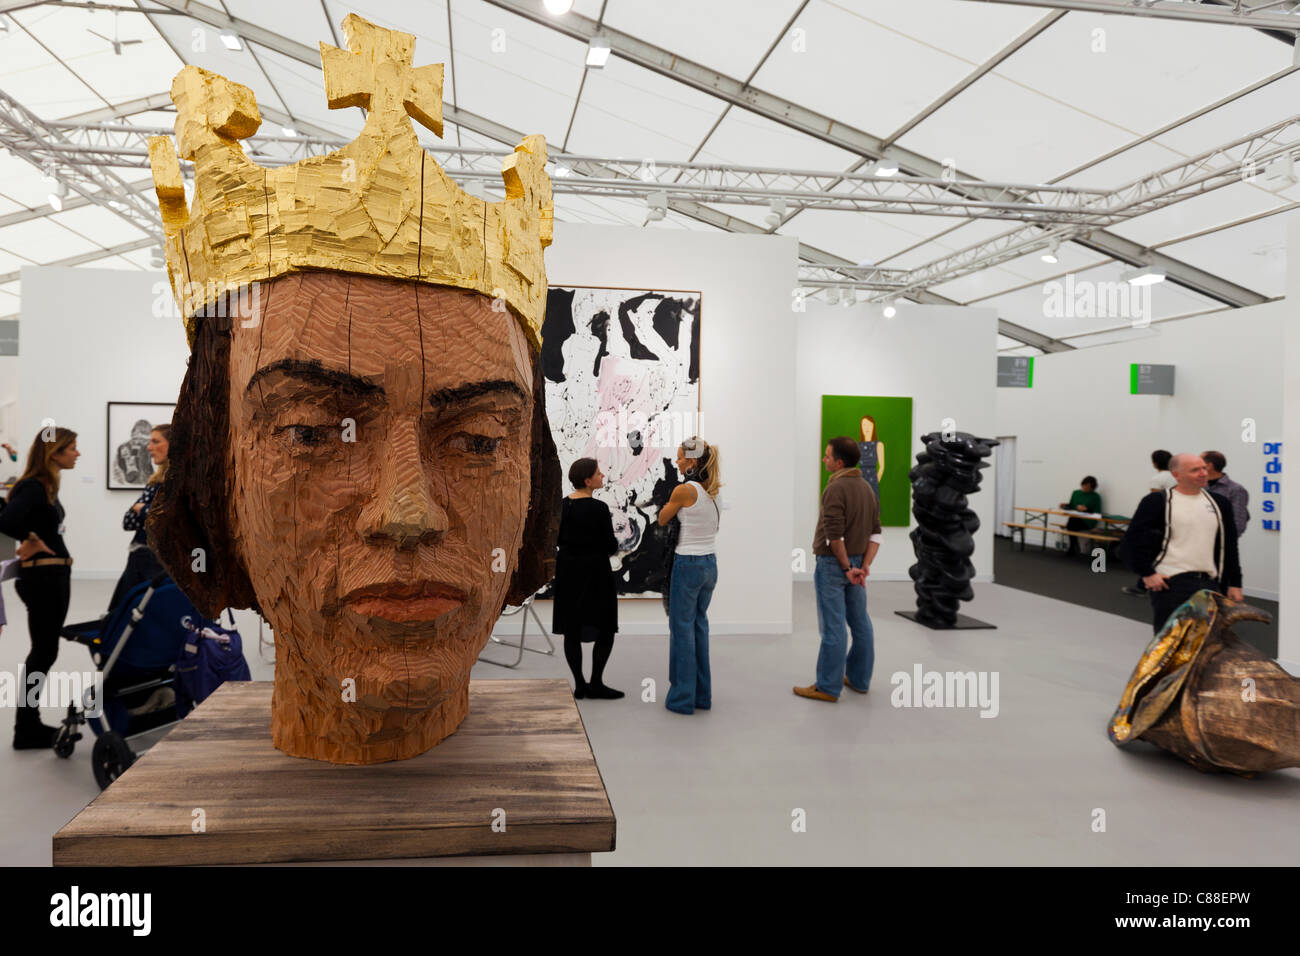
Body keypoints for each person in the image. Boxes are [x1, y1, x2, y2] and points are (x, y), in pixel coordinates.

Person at [0, 427, 80, 749]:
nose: (78, 453)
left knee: (45, 652)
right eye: (72, 448)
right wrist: (32, 539)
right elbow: (5, 522)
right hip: (43, 580)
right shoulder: (33, 487)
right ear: (54, 453)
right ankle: (26, 729)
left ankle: (28, 725)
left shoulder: (45, 486)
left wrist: (33, 535)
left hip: (52, 577)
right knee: (43, 653)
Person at [795, 436, 881, 702]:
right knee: (860, 623)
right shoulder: (867, 487)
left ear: (839, 462)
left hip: (835, 566)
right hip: (856, 563)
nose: (824, 460)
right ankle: (859, 679)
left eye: (828, 456)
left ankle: (828, 687)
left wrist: (846, 568)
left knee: (833, 627)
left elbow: (834, 537)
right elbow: (876, 533)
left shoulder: (835, 488)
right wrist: (863, 566)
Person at [1118, 453, 1243, 634]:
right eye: (1195, 470)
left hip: (1210, 583)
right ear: (1176, 475)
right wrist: (1147, 573)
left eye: (1203, 468)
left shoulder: (1220, 503)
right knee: (1169, 644)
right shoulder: (1157, 502)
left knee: (1206, 644)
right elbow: (1131, 542)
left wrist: (1235, 583)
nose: (1202, 473)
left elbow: (1230, 545)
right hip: (1171, 583)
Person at [658, 436, 720, 715]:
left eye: (681, 457)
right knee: (699, 627)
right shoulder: (715, 490)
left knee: (682, 631)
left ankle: (682, 698)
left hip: (688, 564)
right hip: (709, 564)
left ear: (692, 461)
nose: (677, 461)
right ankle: (702, 696)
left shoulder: (685, 490)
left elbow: (662, 518)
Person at [552, 457, 621, 700]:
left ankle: (580, 684)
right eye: (599, 474)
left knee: (571, 628)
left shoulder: (561, 506)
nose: (603, 476)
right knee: (604, 627)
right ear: (587, 480)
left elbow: (556, 540)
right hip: (596, 574)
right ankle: (597, 683)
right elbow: (610, 545)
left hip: (568, 572)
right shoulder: (599, 509)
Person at [107, 424, 171, 611]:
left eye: (155, 441)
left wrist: (142, 509)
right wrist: (146, 511)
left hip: (159, 560)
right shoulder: (155, 482)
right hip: (141, 558)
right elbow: (128, 522)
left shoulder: (177, 484)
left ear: (173, 444)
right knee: (124, 615)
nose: (149, 447)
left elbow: (167, 519)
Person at [1123, 451, 1177, 595]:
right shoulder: (1176, 477)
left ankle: (1144, 585)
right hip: (1176, 519)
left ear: (1154, 463)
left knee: (1152, 553)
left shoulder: (1158, 479)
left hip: (1160, 522)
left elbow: (1156, 502)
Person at [1202, 450, 1249, 538]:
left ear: (1209, 466)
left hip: (1221, 543)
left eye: (1200, 462)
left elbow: (1238, 523)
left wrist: (1223, 541)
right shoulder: (1197, 486)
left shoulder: (1235, 489)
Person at [1059, 475, 1101, 556]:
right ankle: (1074, 547)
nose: (1085, 488)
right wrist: (1064, 505)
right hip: (1076, 518)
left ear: (1092, 488)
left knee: (1071, 523)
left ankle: (1073, 548)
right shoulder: (1076, 493)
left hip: (1088, 520)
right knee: (1071, 522)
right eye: (1084, 485)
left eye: (1088, 487)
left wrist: (1086, 509)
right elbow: (1071, 505)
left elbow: (1097, 512)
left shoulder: (1096, 497)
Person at [857, 415, 884, 503]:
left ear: (873, 427)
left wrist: (876, 480)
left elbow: (882, 467)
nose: (867, 428)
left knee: (872, 507)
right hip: (860, 480)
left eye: (869, 425)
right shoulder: (857, 446)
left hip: (873, 479)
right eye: (864, 425)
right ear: (861, 427)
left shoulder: (878, 445)